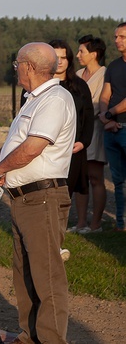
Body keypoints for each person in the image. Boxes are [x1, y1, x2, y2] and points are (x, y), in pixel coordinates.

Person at [0, 42, 75, 344]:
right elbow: (16, 142)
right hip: (24, 197)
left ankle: (49, 340)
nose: (16, 70)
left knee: (47, 277)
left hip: (43, 197)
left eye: (17, 64)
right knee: (25, 275)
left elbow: (33, 148)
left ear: (29, 67)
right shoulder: (33, 99)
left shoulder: (55, 99)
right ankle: (29, 336)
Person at [46, 40, 93, 239]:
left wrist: (83, 142)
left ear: (69, 59)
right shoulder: (39, 85)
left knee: (71, 190)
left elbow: (89, 117)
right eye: (55, 57)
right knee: (49, 192)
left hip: (74, 149)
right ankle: (49, 229)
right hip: (47, 150)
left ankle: (66, 228)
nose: (60, 62)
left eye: (64, 57)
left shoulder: (80, 86)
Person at [73, 35, 108, 233]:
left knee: (95, 176)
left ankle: (95, 224)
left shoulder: (105, 74)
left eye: (81, 51)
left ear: (94, 54)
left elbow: (95, 104)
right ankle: (80, 223)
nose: (78, 55)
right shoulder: (78, 74)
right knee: (80, 178)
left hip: (95, 132)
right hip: (77, 133)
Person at [99, 22, 126, 231]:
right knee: (117, 179)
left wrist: (109, 114)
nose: (117, 40)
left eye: (122, 37)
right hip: (112, 131)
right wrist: (107, 120)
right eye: (116, 36)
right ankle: (120, 222)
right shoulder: (114, 66)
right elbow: (105, 95)